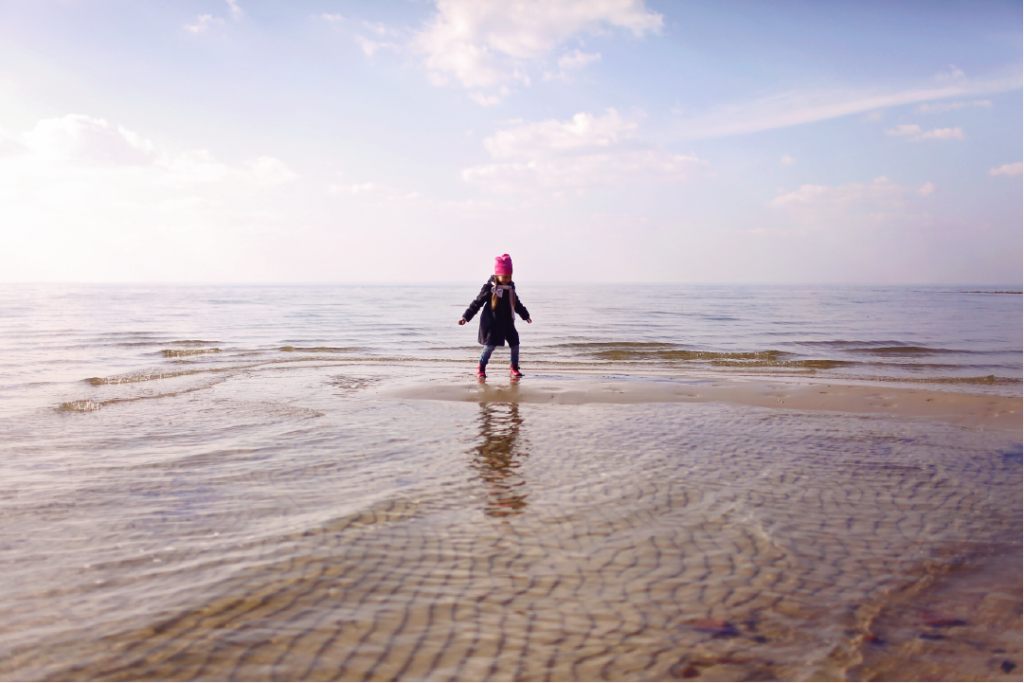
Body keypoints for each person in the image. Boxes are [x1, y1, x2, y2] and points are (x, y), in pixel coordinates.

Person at [458, 254, 532, 378]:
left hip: (508, 322)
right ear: (497, 275)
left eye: (509, 276)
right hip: (492, 323)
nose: (507, 279)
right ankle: (481, 367)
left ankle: (514, 367)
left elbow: (516, 303)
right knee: (490, 346)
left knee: (515, 344)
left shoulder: (510, 288)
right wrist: (466, 317)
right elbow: (477, 303)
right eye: (504, 277)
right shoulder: (489, 288)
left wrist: (525, 315)